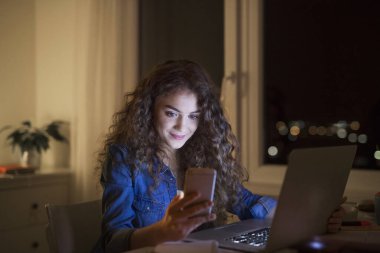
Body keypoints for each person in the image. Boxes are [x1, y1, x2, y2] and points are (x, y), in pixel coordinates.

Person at [94, 60, 344, 253]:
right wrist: (164, 231)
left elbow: (248, 204)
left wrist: (312, 214)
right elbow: (113, 242)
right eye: (171, 113)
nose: (183, 127)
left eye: (193, 116)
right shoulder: (124, 158)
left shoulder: (202, 155)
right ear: (149, 110)